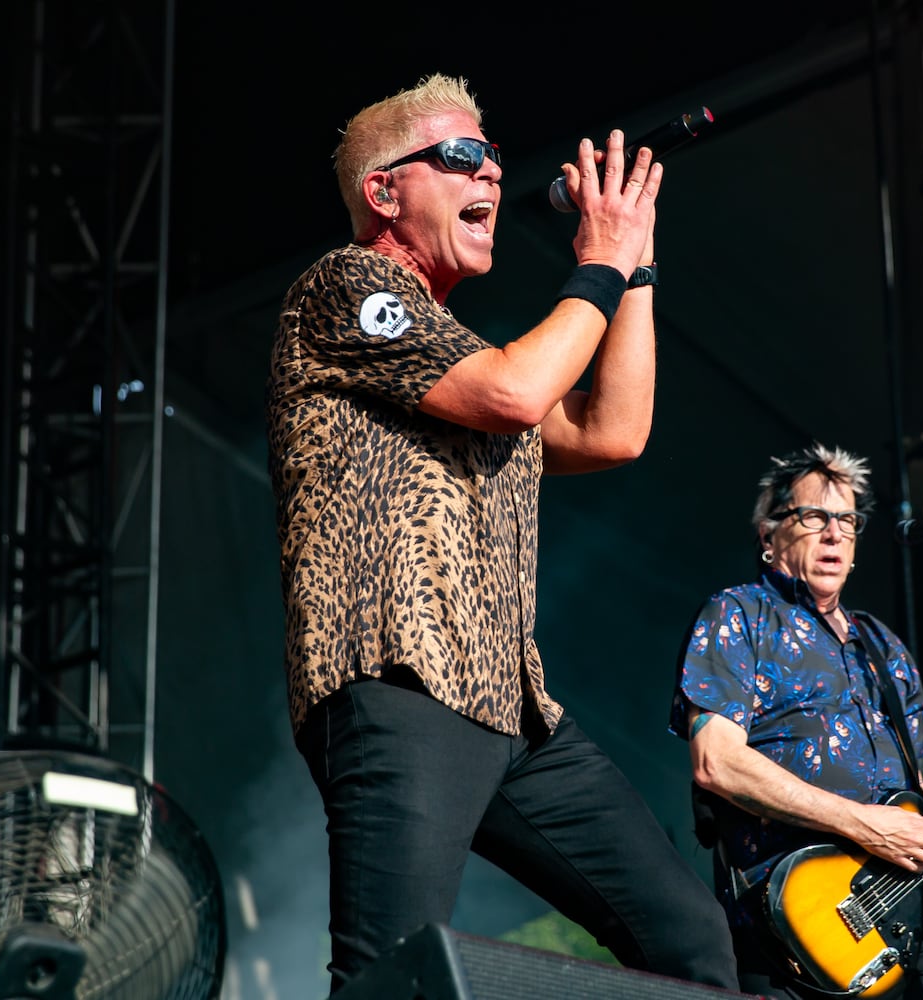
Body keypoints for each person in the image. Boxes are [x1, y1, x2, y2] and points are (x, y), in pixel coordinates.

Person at [265, 73, 736, 993]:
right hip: (397, 681)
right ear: (384, 192)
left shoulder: (458, 349)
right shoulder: (344, 287)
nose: (489, 171)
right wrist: (594, 263)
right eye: (459, 155)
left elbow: (612, 432)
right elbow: (518, 393)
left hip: (515, 712)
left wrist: (632, 264)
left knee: (690, 941)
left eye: (493, 156)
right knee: (388, 976)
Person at [669, 443, 923, 1000]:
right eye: (814, 517)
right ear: (769, 535)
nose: (834, 534)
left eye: (847, 521)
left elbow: (910, 795)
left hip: (897, 926)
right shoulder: (740, 615)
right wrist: (863, 823)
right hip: (793, 924)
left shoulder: (883, 648)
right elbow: (717, 763)